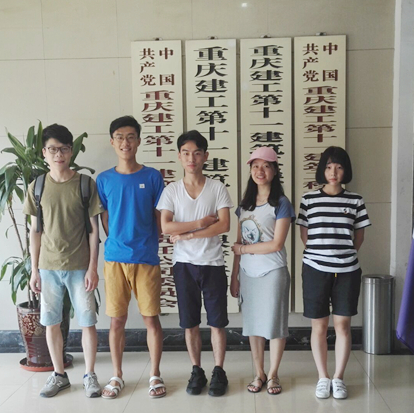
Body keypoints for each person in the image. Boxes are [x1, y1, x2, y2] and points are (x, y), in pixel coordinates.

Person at [26, 124, 104, 398]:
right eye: (53, 149)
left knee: (87, 322)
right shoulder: (37, 186)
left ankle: (90, 375)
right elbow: (35, 231)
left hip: (80, 266)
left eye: (64, 149)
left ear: (71, 151)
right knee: (51, 322)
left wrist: (93, 267)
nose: (58, 154)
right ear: (44, 152)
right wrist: (34, 270)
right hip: (48, 267)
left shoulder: (85, 184)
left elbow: (94, 230)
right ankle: (59, 374)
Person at [156, 130, 233, 397]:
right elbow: (166, 226)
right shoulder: (172, 190)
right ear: (179, 156)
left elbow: (224, 225)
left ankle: (219, 371)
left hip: (213, 263)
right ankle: (197, 370)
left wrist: (188, 234)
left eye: (197, 153)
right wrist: (200, 223)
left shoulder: (217, 188)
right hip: (183, 265)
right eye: (186, 153)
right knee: (189, 322)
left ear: (205, 156)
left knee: (217, 322)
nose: (191, 158)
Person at [96, 116, 166, 399]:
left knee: (151, 319)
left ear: (138, 140)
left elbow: (160, 216)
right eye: (120, 137)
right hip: (114, 259)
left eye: (130, 137)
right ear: (112, 142)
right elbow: (105, 218)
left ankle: (155, 375)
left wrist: (151, 241)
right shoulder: (104, 179)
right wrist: (117, 240)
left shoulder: (152, 177)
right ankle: (117, 375)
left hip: (146, 258)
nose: (125, 142)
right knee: (116, 321)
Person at [296, 146, 371, 400]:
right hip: (315, 269)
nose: (333, 172)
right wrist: (323, 255)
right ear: (322, 170)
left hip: (347, 270)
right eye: (328, 167)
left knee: (343, 325)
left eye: (338, 167)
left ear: (345, 170)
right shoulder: (309, 200)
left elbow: (359, 236)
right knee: (319, 326)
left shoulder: (356, 200)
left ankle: (338, 378)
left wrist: (343, 255)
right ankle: (323, 377)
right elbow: (305, 235)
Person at [229, 147, 295, 396]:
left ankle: (274, 374)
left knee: (275, 325)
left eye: (266, 166)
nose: (260, 171)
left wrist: (244, 250)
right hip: (248, 274)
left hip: (273, 271)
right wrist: (234, 276)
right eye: (255, 166)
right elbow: (237, 244)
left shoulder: (282, 204)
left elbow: (276, 244)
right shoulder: (244, 206)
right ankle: (259, 373)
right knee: (253, 326)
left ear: (275, 171)